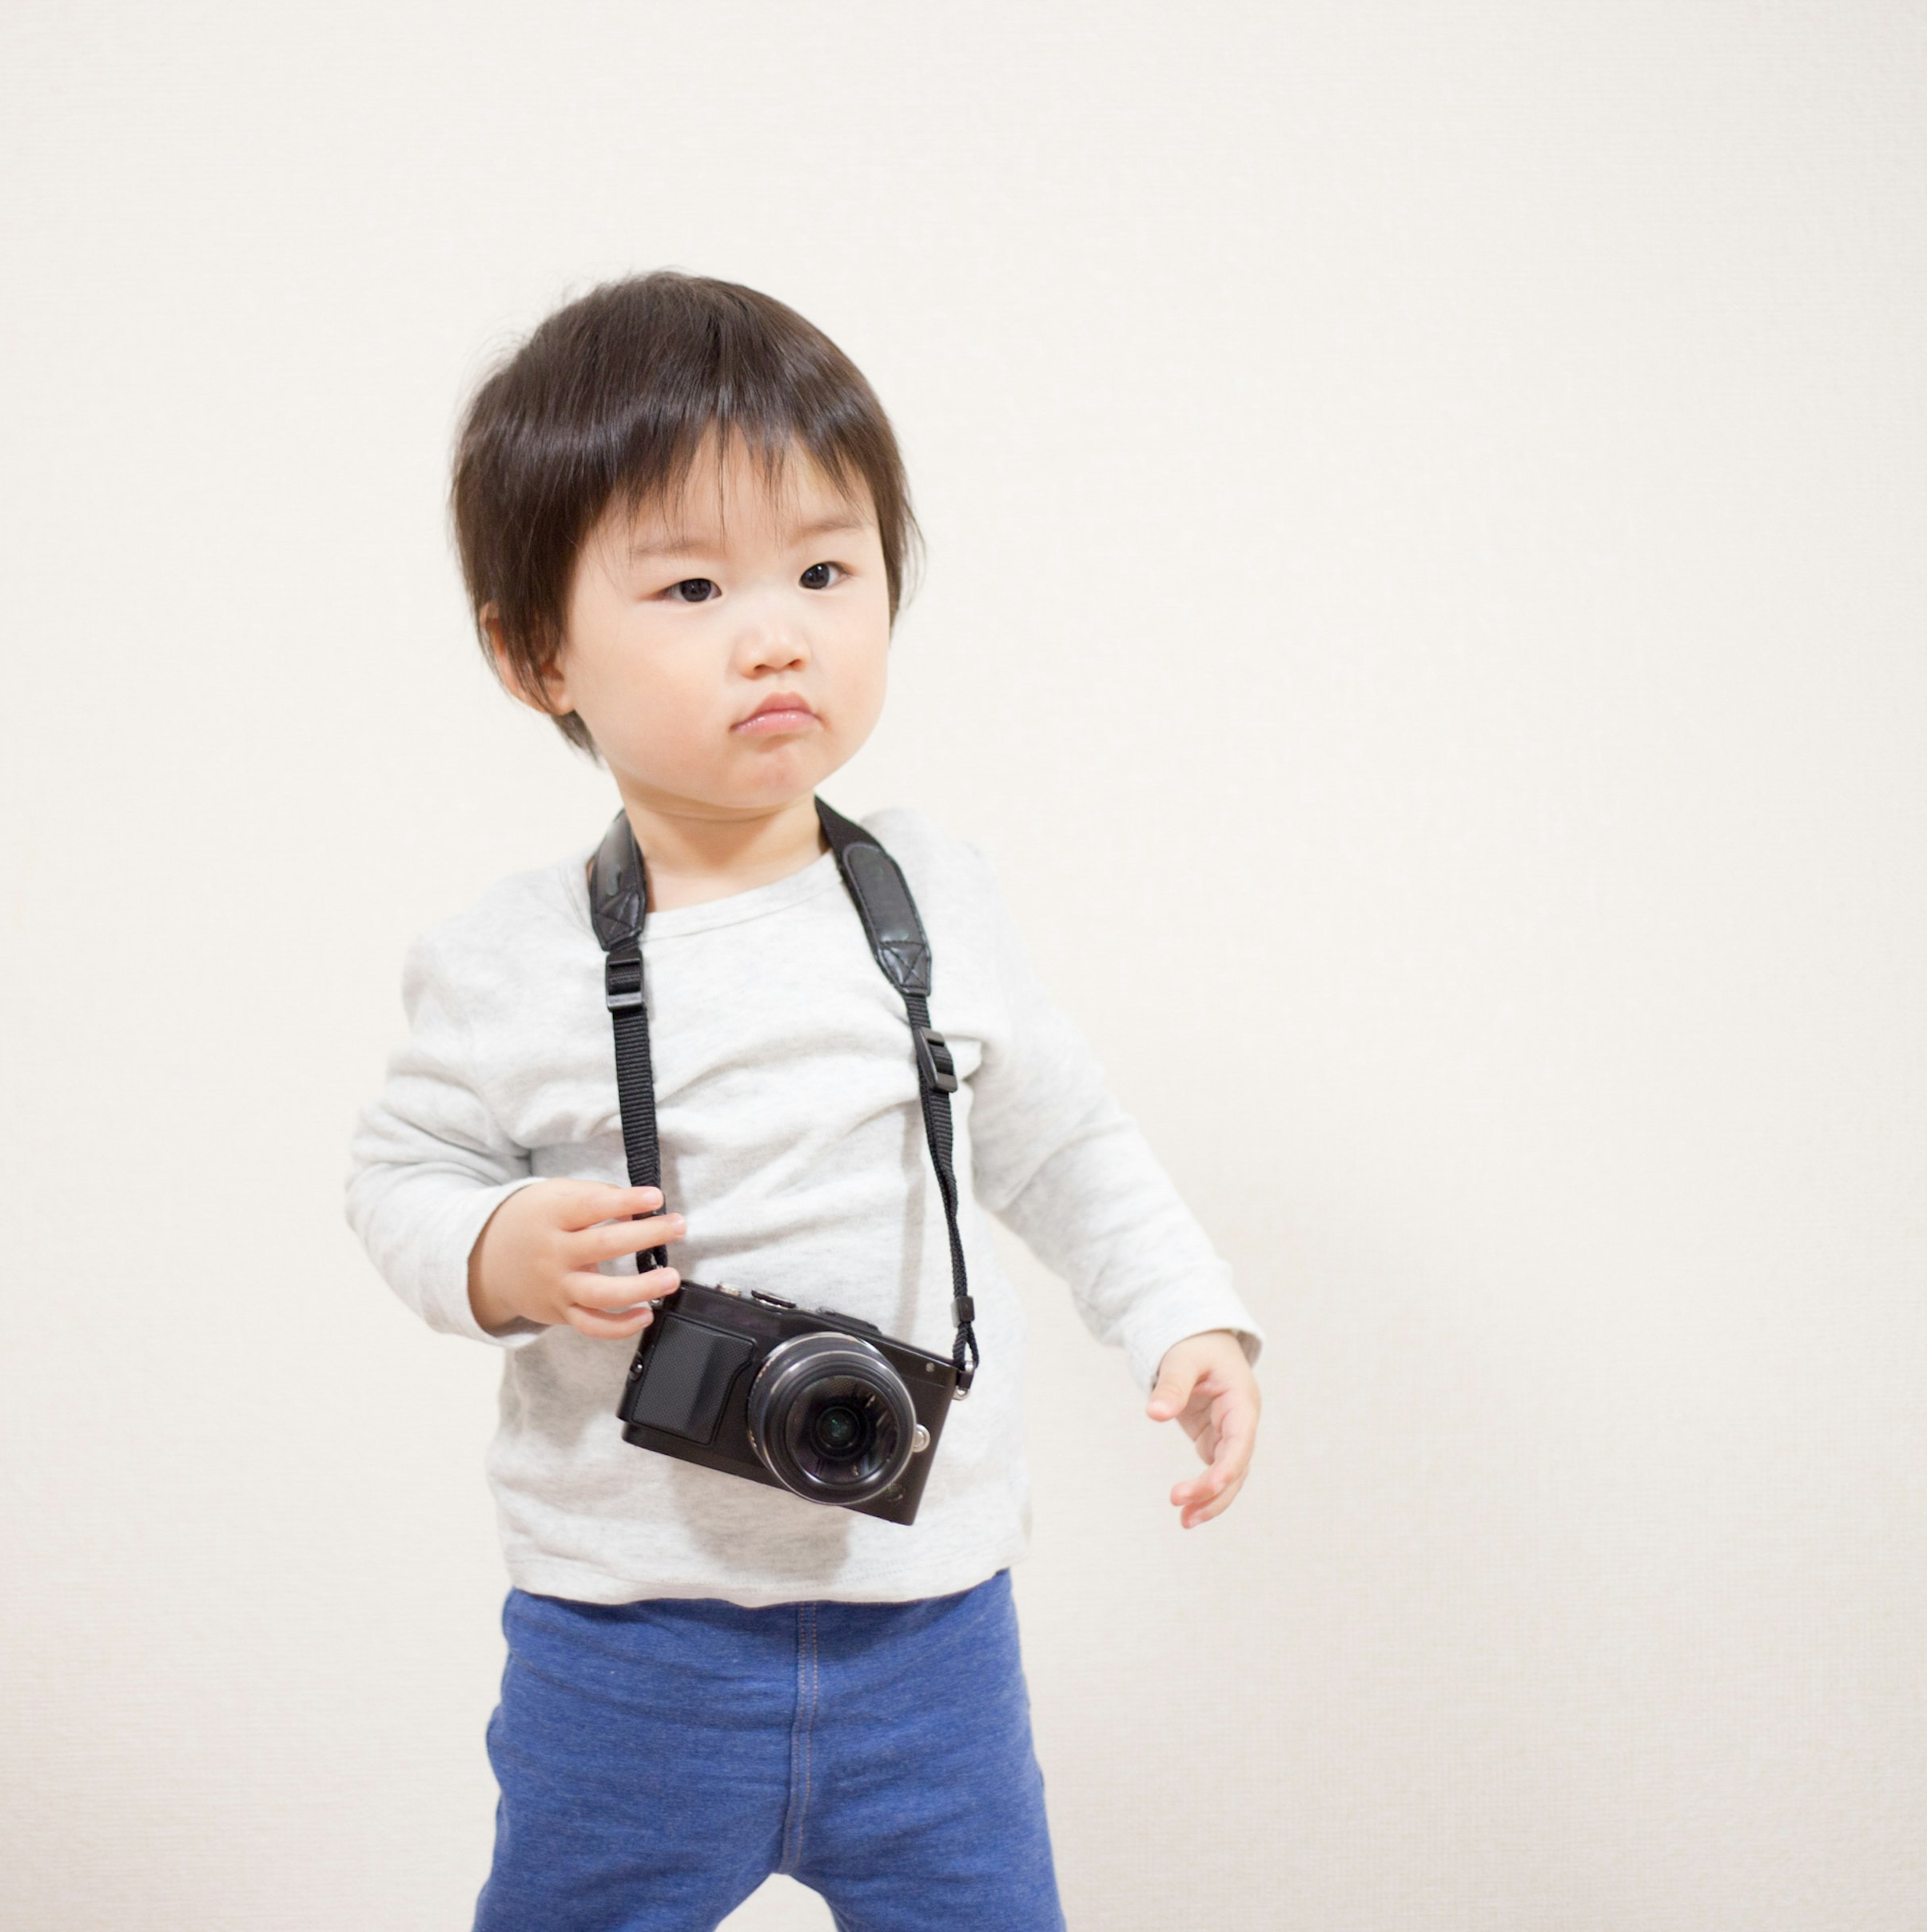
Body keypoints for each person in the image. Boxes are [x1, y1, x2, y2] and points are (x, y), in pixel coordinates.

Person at [347, 272, 1265, 1932]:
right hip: (626, 1641)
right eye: (692, 583)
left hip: (930, 1624)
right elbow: (396, 1172)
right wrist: (499, 1248)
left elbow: (1064, 1140)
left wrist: (1186, 1316)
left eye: (827, 570)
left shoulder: (935, 895)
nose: (778, 631)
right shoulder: (507, 958)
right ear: (532, 648)